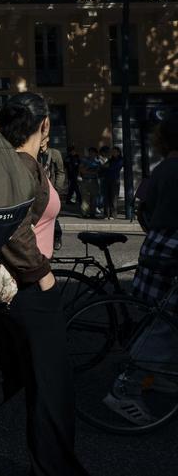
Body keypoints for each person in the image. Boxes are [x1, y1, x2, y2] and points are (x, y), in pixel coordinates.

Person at [0, 93, 89, 475]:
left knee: (13, 370)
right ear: (45, 125)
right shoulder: (21, 164)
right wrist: (43, 275)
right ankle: (56, 469)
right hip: (27, 290)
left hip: (12, 290)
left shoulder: (11, 161)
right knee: (52, 385)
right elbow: (13, 228)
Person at [107, 112, 178, 423]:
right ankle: (126, 389)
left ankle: (157, 374)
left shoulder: (163, 168)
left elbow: (144, 209)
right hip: (172, 252)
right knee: (164, 324)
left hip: (159, 246)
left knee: (161, 319)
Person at [39, 141, 67, 250]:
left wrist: (57, 189)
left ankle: (57, 236)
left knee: (54, 216)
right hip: (39, 190)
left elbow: (60, 172)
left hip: (52, 189)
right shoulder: (34, 152)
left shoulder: (54, 153)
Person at [79, 147, 101, 218]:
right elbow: (82, 170)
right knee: (85, 198)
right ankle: (84, 213)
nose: (91, 154)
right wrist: (91, 171)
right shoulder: (84, 160)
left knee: (94, 198)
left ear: (96, 153)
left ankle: (92, 213)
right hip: (85, 180)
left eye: (93, 152)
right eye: (90, 152)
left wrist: (90, 171)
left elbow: (98, 171)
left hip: (94, 180)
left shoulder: (97, 162)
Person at [103, 146, 124, 219]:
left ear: (118, 152)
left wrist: (107, 167)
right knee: (106, 197)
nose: (113, 153)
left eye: (115, 151)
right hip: (107, 179)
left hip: (115, 180)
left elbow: (114, 167)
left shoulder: (120, 160)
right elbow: (103, 167)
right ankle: (106, 214)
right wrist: (107, 166)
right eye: (112, 151)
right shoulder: (110, 160)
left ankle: (113, 215)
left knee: (113, 198)